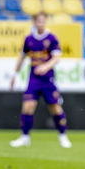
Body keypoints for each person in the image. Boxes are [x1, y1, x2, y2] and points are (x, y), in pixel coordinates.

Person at [9, 12, 72, 149]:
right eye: (38, 21)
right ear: (34, 22)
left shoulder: (52, 38)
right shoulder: (29, 39)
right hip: (33, 78)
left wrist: (45, 66)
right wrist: (14, 74)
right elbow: (22, 57)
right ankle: (25, 137)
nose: (41, 23)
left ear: (46, 22)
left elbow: (56, 57)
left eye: (43, 21)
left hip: (48, 79)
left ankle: (63, 136)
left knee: (55, 108)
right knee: (27, 107)